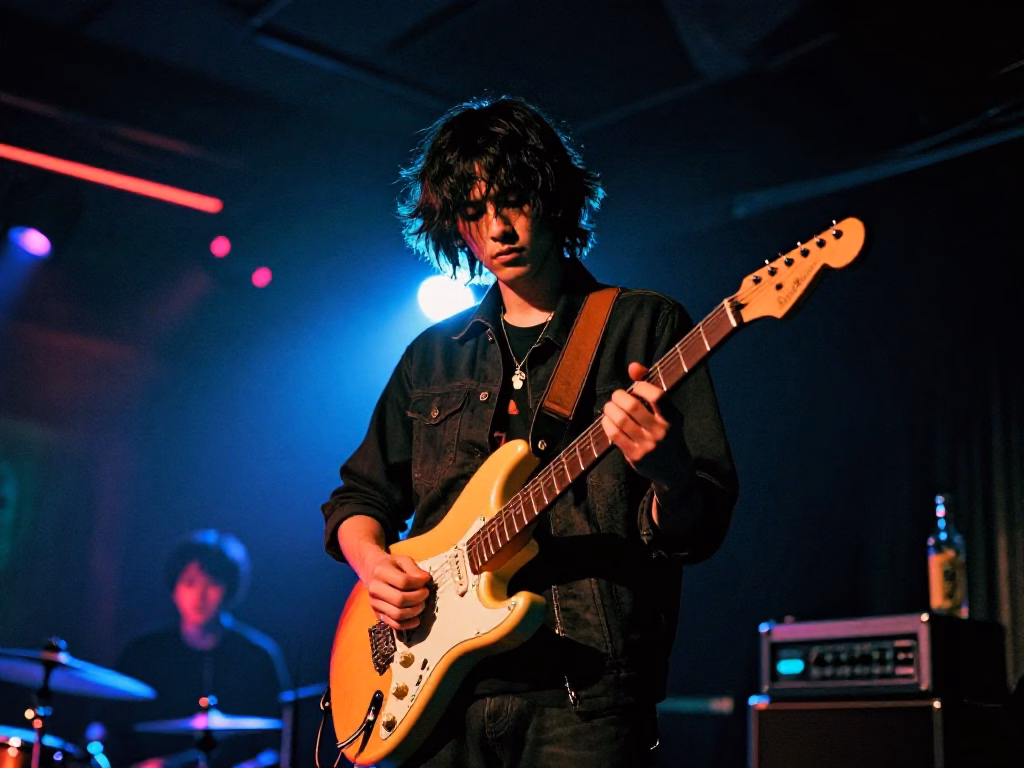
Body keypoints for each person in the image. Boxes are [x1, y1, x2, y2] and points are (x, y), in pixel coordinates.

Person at [321, 96, 738, 767]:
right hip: (438, 702)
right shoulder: (433, 354)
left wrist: (668, 471)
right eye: (474, 212)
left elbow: (701, 524)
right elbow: (358, 499)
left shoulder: (644, 327)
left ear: (551, 197)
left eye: (511, 200)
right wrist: (378, 568)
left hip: (587, 692)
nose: (497, 228)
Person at [107, 529, 290, 768]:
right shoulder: (142, 653)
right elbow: (110, 728)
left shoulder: (257, 656)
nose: (200, 595)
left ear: (230, 590)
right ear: (174, 589)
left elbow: (280, 741)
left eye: (213, 583)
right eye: (190, 583)